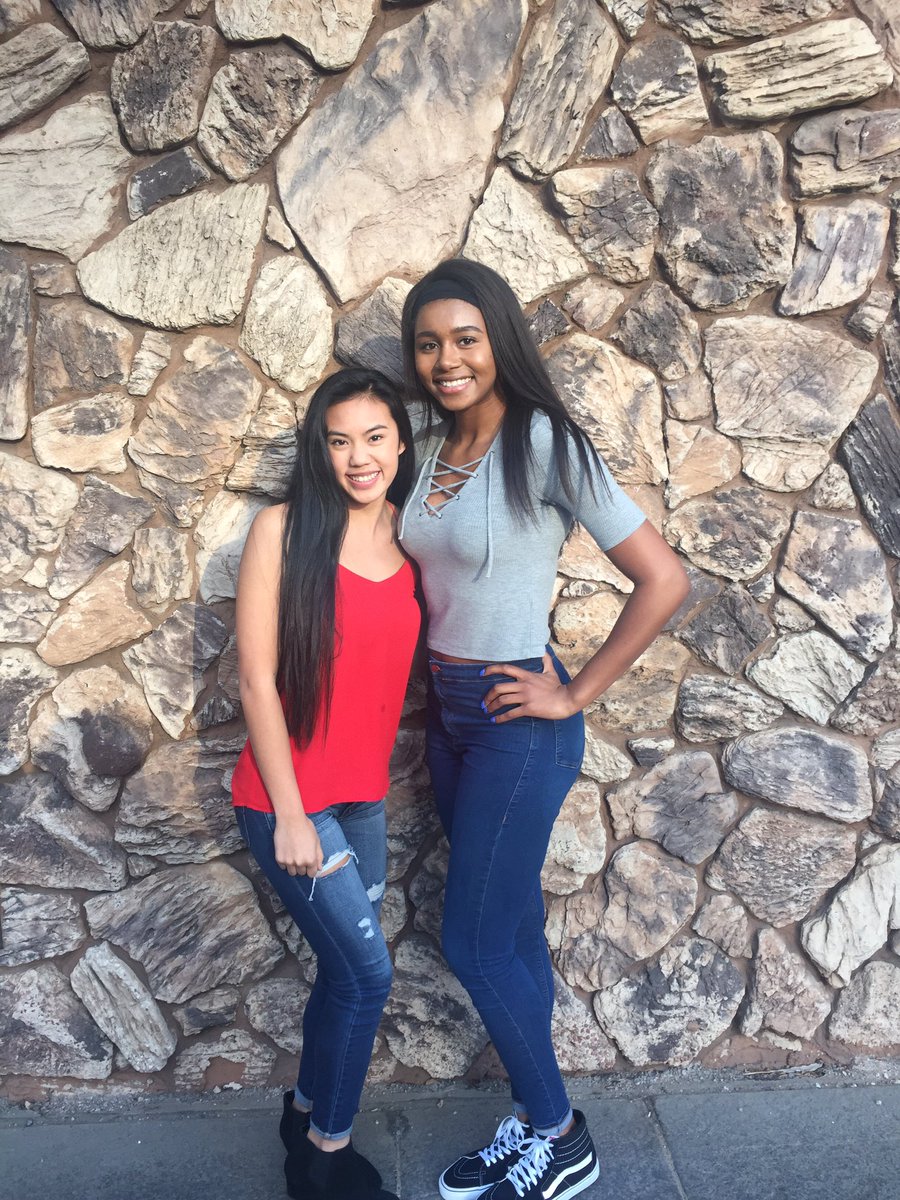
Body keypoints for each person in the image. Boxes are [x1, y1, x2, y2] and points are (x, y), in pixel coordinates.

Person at [397, 259, 690, 1200]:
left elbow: (664, 579)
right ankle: (533, 1117)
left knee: (475, 944)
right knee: (513, 926)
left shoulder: (544, 442)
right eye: (429, 344)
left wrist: (576, 693)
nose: (447, 359)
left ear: (501, 342)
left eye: (466, 339)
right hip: (448, 718)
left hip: (515, 721)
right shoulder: (428, 449)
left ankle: (561, 1136)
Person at [232, 367, 419, 1200]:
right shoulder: (283, 529)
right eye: (339, 441)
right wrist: (291, 814)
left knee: (345, 971)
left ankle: (302, 1109)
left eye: (374, 437)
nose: (358, 457)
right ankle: (325, 1157)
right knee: (369, 976)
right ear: (320, 449)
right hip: (290, 803)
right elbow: (255, 681)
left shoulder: (414, 539)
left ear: (401, 443)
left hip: (364, 801)